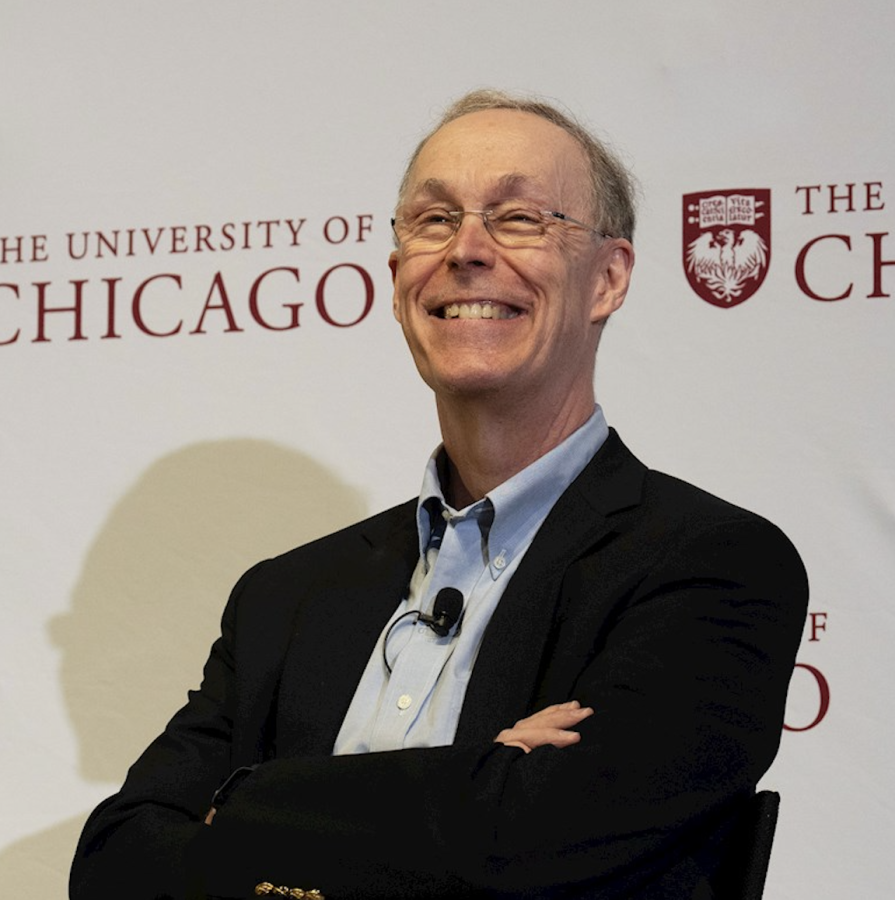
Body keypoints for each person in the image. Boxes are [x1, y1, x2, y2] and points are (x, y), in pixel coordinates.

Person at [71, 90, 808, 900]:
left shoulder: (712, 565)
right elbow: (116, 864)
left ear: (606, 278)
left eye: (520, 218)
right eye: (432, 220)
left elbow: (540, 845)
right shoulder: (286, 598)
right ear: (396, 283)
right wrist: (480, 777)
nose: (467, 250)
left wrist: (241, 803)